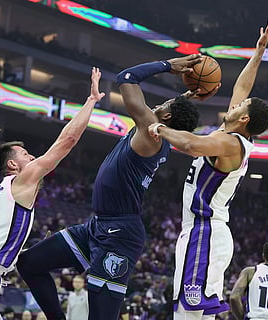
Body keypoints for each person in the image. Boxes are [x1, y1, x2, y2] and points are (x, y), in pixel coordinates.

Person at [18, 52, 208, 320]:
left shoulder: (150, 130)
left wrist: (168, 66)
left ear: (164, 116)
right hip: (98, 226)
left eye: (162, 105)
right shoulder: (157, 130)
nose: (155, 105)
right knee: (29, 264)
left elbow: (127, 77)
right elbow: (168, 112)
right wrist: (186, 98)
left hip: (119, 234)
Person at [0, 67, 105, 320]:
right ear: (12, 165)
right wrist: (91, 100)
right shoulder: (20, 180)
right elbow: (67, 141)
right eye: (26, 155)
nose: (32, 157)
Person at [148, 17, 268, 319]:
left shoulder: (232, 144)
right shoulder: (232, 134)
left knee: (188, 315)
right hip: (200, 232)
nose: (235, 104)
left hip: (205, 230)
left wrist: (160, 129)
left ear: (244, 120)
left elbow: (192, 145)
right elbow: (243, 86)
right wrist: (258, 53)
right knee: (191, 313)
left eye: (241, 107)